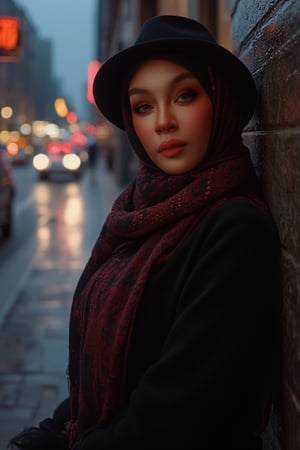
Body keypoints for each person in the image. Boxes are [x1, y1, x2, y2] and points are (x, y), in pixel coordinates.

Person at [8, 15, 280, 450]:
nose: (164, 122)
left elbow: (174, 414)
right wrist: (56, 429)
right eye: (143, 106)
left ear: (221, 102)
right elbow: (102, 374)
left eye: (185, 96)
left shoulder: (235, 228)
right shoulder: (136, 212)